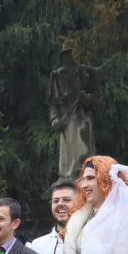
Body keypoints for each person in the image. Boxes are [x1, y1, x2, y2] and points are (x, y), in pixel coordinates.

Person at [48, 42, 101, 182]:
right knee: (67, 165)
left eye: (72, 53)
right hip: (65, 122)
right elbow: (53, 102)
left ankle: (84, 175)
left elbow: (97, 99)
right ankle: (67, 179)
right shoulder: (57, 76)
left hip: (83, 122)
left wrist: (85, 98)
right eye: (67, 54)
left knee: (84, 160)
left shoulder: (88, 73)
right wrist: (54, 119)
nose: (70, 57)